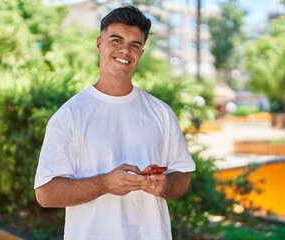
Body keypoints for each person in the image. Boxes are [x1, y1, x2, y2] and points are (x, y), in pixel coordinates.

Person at [34, 5, 196, 240]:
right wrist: (104, 184)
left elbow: (182, 176)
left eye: (135, 45)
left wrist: (166, 186)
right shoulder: (70, 114)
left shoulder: (161, 112)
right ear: (99, 43)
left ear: (141, 52)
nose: (125, 51)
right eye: (116, 40)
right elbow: (46, 194)